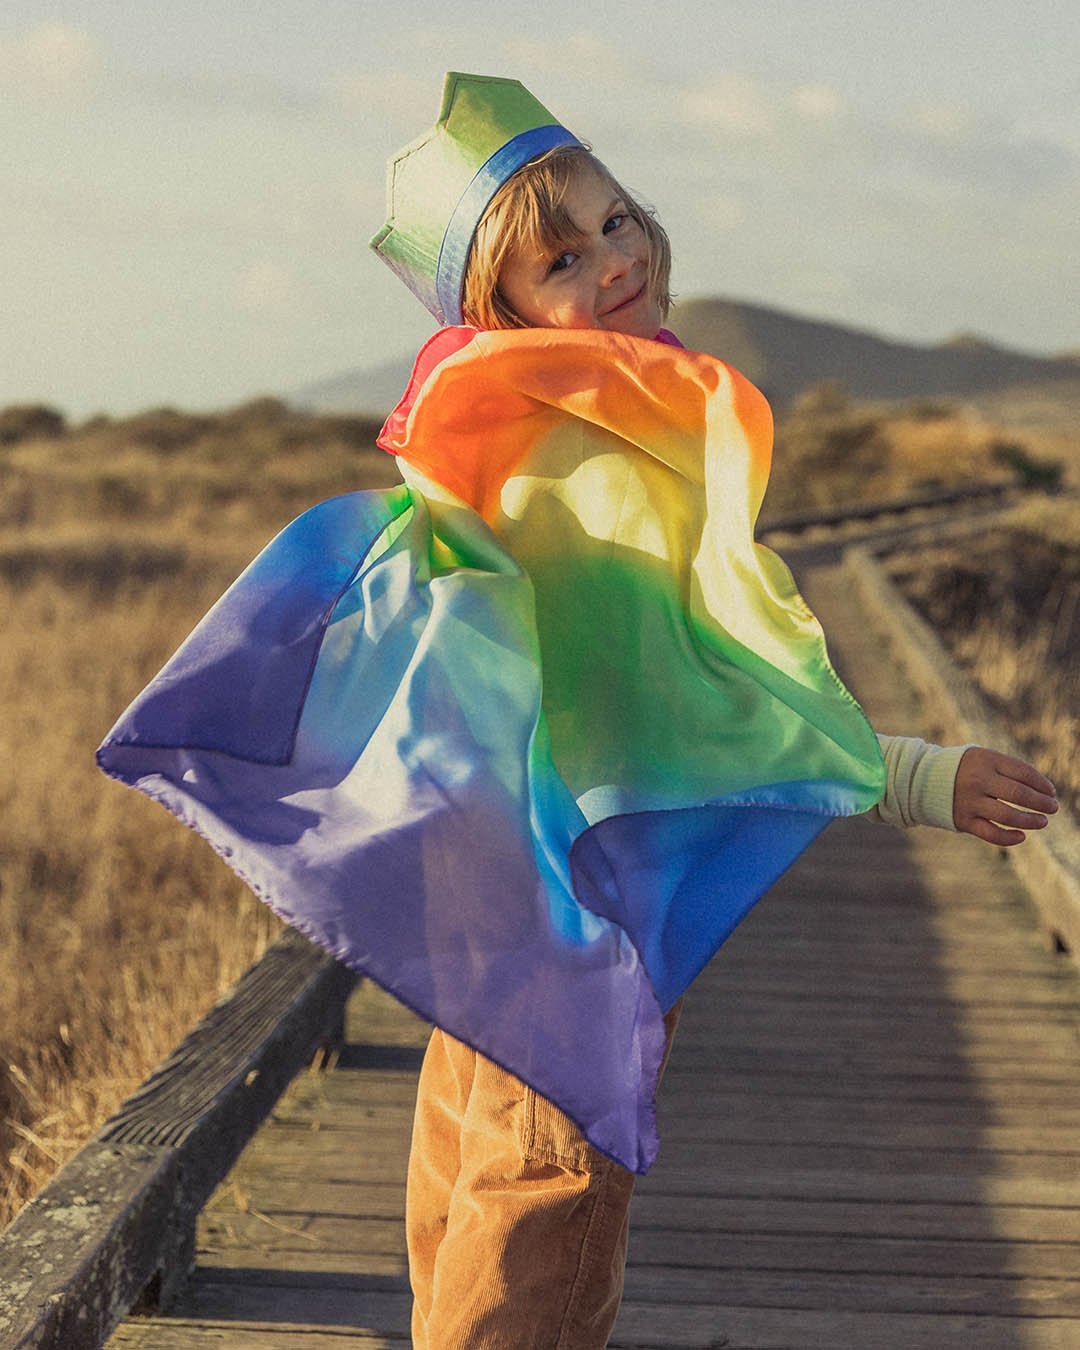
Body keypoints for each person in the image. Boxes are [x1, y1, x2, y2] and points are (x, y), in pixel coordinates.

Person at [99, 72, 1058, 1348]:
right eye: (561, 256)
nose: (612, 259)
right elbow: (694, 690)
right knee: (545, 1203)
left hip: (495, 892)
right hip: (571, 903)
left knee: (475, 1179)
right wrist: (912, 776)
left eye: (616, 220)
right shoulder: (584, 454)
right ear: (499, 307)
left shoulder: (525, 427)